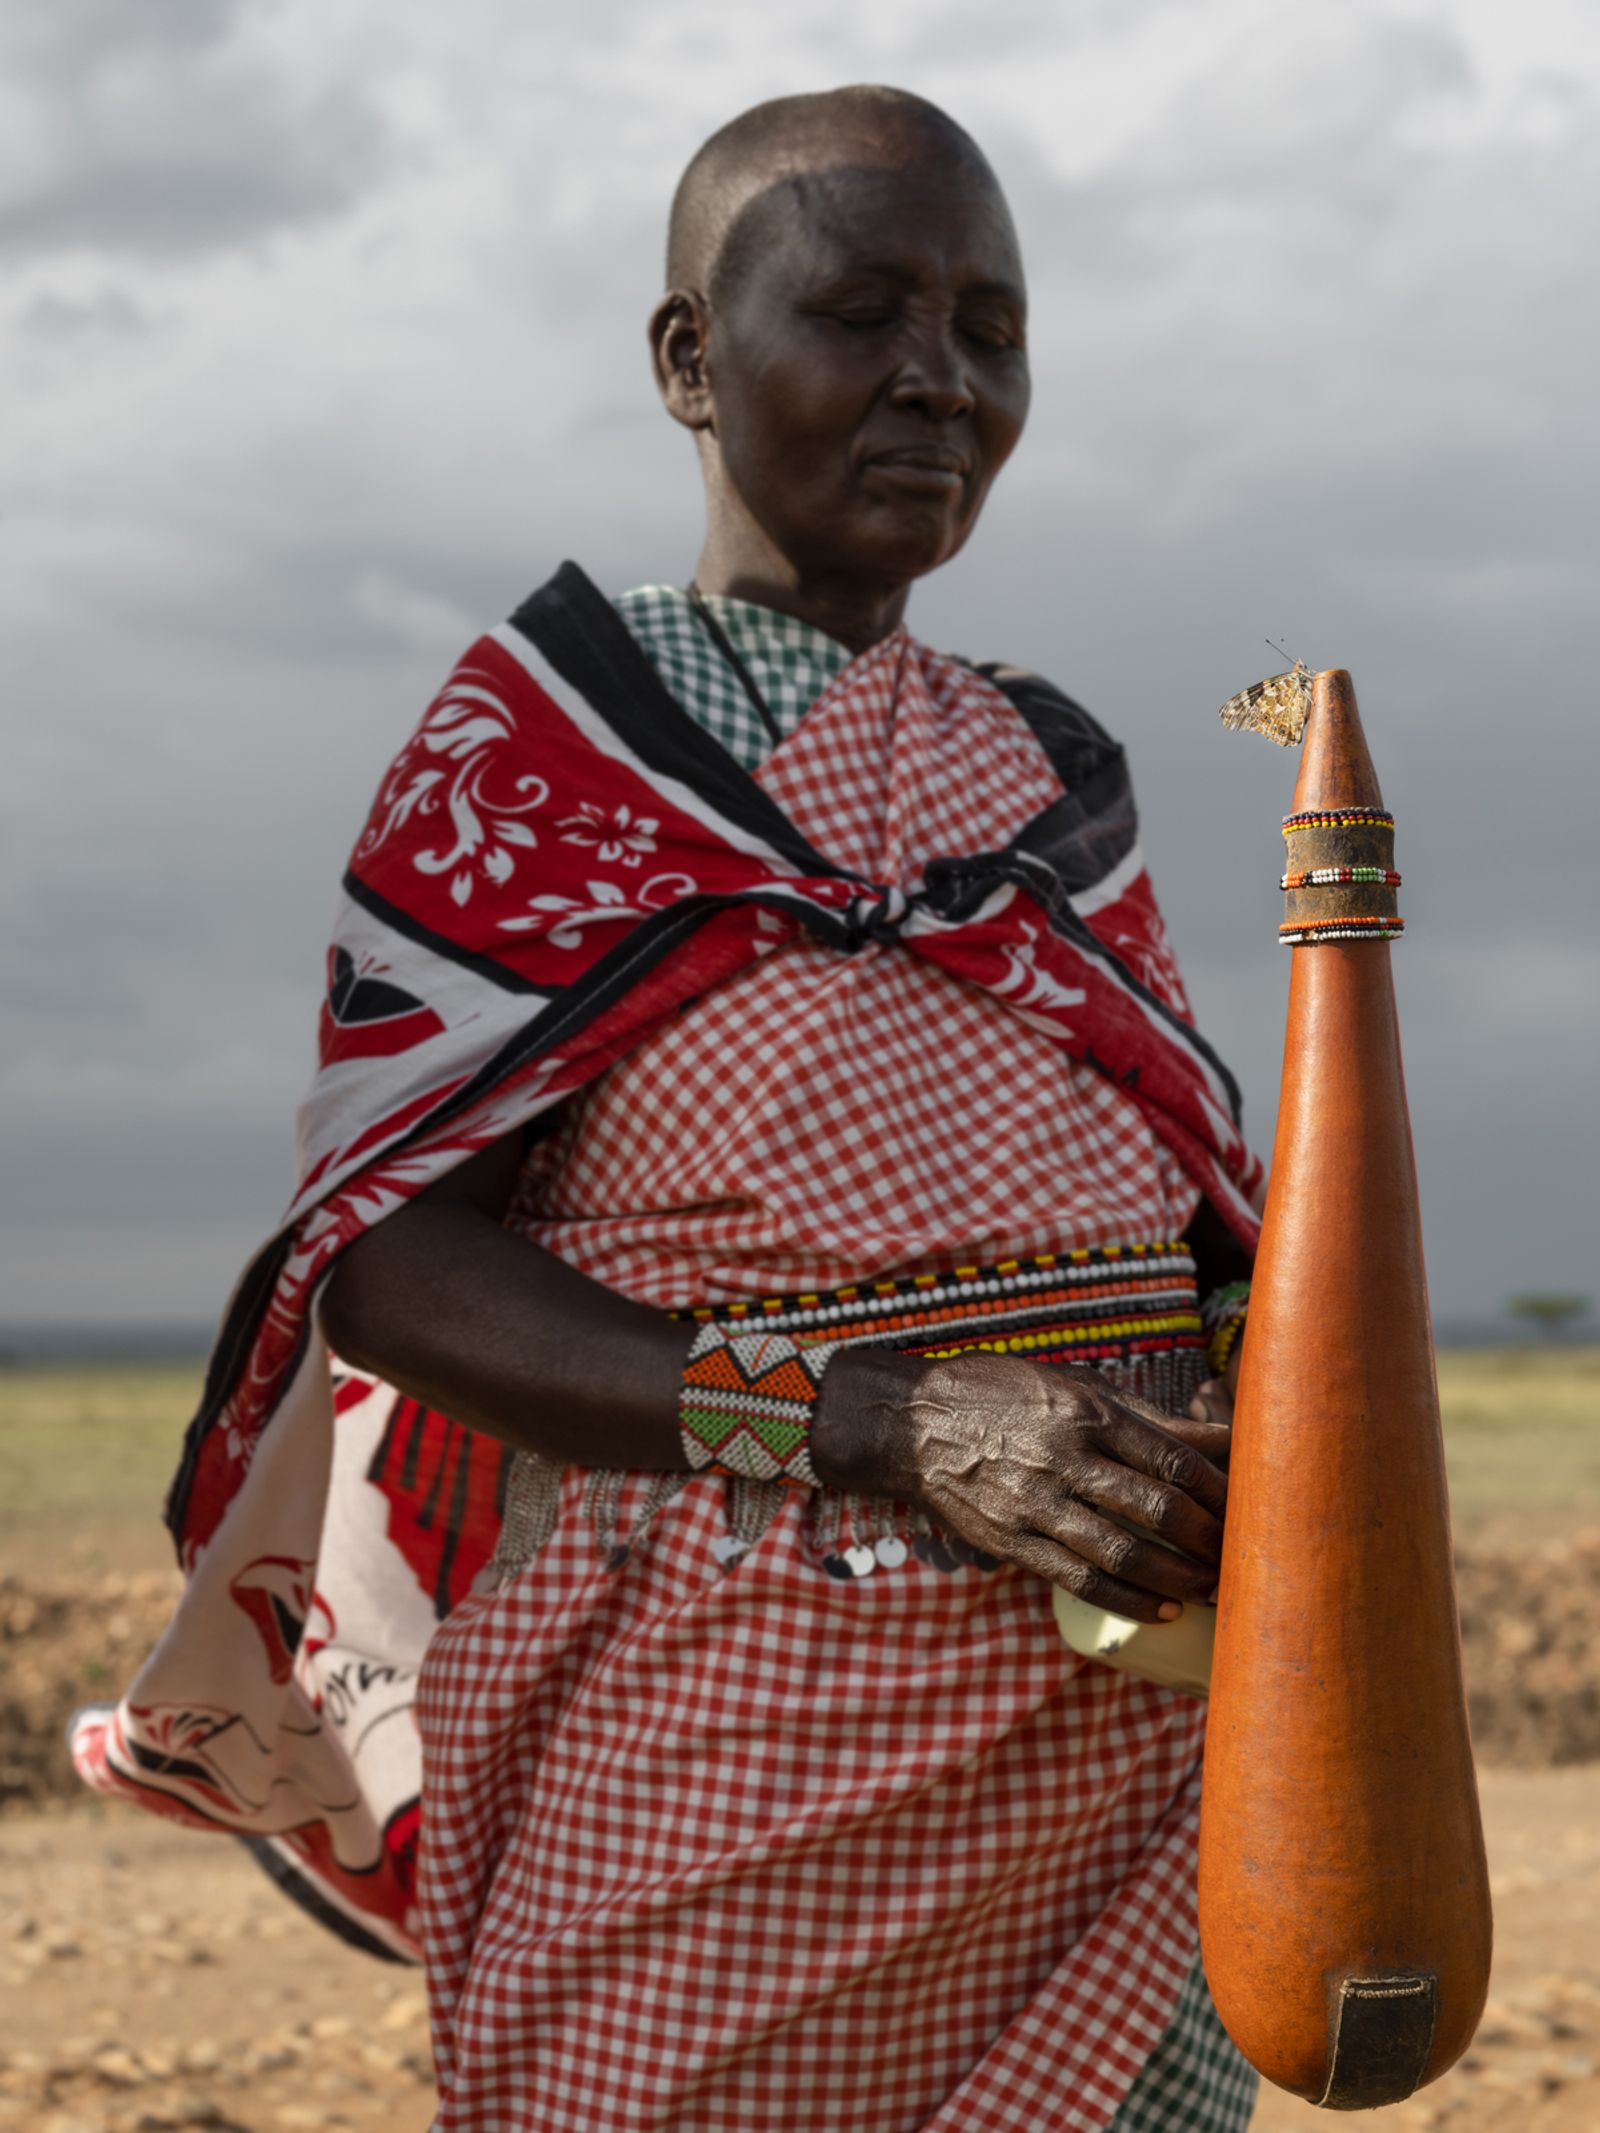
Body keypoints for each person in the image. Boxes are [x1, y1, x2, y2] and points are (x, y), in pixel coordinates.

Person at [76, 85, 1264, 2133]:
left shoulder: (1044, 772)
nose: (938, 377)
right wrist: (879, 1416)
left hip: (1108, 1737)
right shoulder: (540, 743)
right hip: (708, 1725)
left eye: (989, 326)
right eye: (863, 305)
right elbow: (390, 1266)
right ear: (686, 361)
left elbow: (1187, 1202)